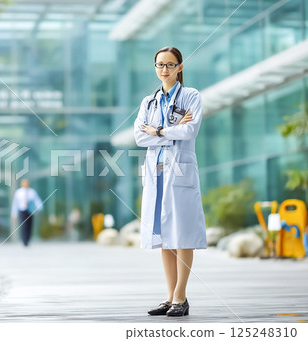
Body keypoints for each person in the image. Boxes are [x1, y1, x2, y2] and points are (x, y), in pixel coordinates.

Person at [133, 46, 207, 317]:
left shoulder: (191, 96)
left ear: (180, 67)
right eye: (160, 65)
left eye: (170, 64)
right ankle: (169, 296)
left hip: (180, 171)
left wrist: (159, 130)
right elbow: (140, 138)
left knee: (182, 235)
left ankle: (181, 296)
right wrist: (171, 132)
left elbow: (190, 131)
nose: (164, 70)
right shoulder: (148, 102)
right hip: (157, 172)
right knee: (163, 238)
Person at [11, 179, 43, 247]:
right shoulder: (18, 192)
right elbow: (15, 203)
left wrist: (39, 208)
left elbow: (37, 200)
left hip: (30, 210)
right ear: (21, 184)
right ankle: (24, 241)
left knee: (29, 225)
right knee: (24, 225)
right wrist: (14, 213)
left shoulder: (32, 192)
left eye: (27, 183)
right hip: (22, 210)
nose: (25, 184)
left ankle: (28, 240)